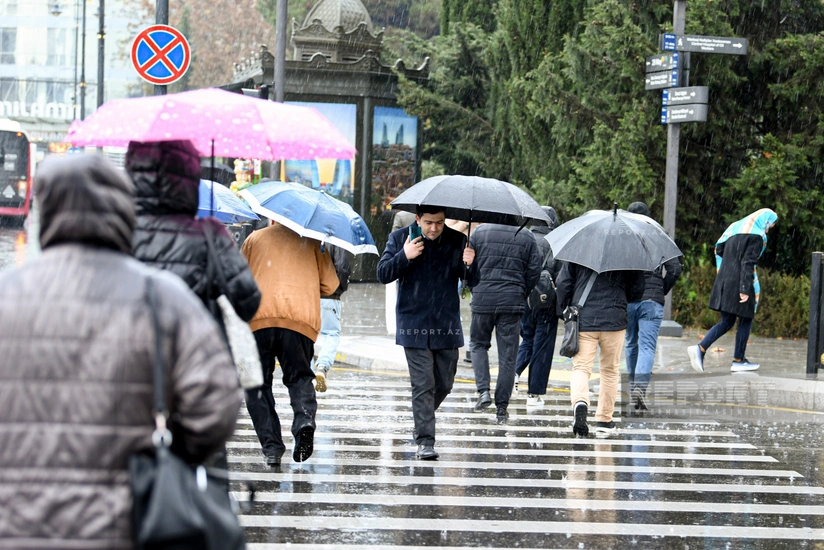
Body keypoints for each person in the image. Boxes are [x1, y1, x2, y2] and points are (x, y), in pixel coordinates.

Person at [0, 154, 242, 548]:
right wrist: (169, 451)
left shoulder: (6, 294)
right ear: (123, 212)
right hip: (121, 525)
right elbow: (218, 404)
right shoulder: (160, 297)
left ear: (47, 210)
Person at [377, 205, 477, 460]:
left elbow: (471, 282)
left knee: (444, 383)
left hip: (446, 323)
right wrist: (405, 255)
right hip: (413, 322)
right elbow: (383, 273)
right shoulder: (400, 238)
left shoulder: (458, 240)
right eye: (429, 223)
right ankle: (425, 441)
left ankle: (421, 420)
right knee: (423, 384)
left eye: (439, 223)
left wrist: (470, 265)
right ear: (417, 219)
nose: (434, 228)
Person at [127, 140, 261, 325]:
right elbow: (247, 304)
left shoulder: (119, 231)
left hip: (135, 337)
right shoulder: (208, 235)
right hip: (196, 337)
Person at [241, 219, 339, 465]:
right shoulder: (314, 243)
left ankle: (272, 447)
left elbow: (238, 278)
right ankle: (304, 421)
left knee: (257, 385)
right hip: (298, 322)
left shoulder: (254, 239)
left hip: (258, 320)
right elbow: (331, 285)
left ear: (273, 217)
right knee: (299, 378)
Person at [687, 208, 778, 373]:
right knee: (746, 319)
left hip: (724, 281)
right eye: (769, 226)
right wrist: (744, 288)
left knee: (727, 321)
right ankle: (738, 360)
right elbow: (747, 263)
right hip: (740, 282)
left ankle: (700, 348)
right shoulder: (757, 236)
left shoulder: (733, 230)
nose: (767, 230)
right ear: (764, 221)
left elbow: (719, 249)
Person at [556, 262, 641, 438]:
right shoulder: (626, 256)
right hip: (615, 320)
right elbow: (637, 291)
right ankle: (604, 420)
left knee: (581, 367)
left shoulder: (579, 251)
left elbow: (563, 283)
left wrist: (565, 307)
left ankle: (580, 403)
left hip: (585, 317)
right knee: (610, 371)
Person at [468, 223, 542, 423]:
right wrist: (521, 291)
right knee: (508, 356)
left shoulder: (479, 233)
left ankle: (483, 391)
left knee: (478, 344)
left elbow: (468, 266)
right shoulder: (526, 236)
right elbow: (534, 271)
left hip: (483, 298)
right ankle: (502, 407)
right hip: (512, 300)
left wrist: (475, 287)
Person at [625, 202, 682, 410]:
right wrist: (661, 289)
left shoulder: (622, 236)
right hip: (652, 300)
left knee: (630, 343)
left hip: (628, 299)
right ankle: (640, 387)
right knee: (647, 346)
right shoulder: (658, 235)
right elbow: (675, 268)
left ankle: (633, 386)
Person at [515, 206, 561, 407]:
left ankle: (514, 373)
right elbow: (561, 275)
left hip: (526, 298)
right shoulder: (557, 242)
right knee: (543, 345)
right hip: (547, 300)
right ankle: (533, 394)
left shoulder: (524, 238)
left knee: (527, 338)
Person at [314, 243, 351, 392]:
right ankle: (322, 366)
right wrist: (339, 288)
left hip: (308, 294)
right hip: (329, 296)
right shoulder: (335, 238)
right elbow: (342, 267)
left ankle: (306, 373)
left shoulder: (307, 237)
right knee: (331, 333)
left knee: (307, 334)